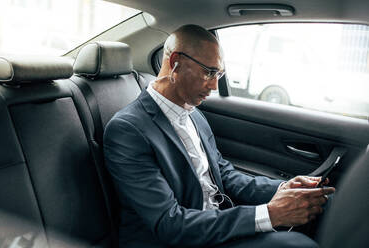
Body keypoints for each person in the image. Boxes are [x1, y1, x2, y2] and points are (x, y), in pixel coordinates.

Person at [103, 24, 335, 248]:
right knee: (297, 245)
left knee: (322, 207)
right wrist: (271, 213)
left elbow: (223, 174)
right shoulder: (128, 130)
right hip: (178, 239)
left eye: (219, 74)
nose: (214, 85)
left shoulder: (194, 114)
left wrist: (282, 189)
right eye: (209, 72)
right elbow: (169, 223)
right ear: (175, 63)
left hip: (215, 225)